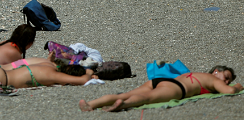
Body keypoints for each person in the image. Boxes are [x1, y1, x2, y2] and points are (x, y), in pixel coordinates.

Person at [79, 66, 241, 112]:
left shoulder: (198, 73)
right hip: (176, 88)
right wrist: (238, 86)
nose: (226, 81)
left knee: (128, 93)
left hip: (161, 80)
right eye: (226, 76)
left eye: (229, 80)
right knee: (147, 98)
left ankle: (91, 104)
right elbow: (229, 92)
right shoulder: (213, 80)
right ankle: (123, 104)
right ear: (216, 71)